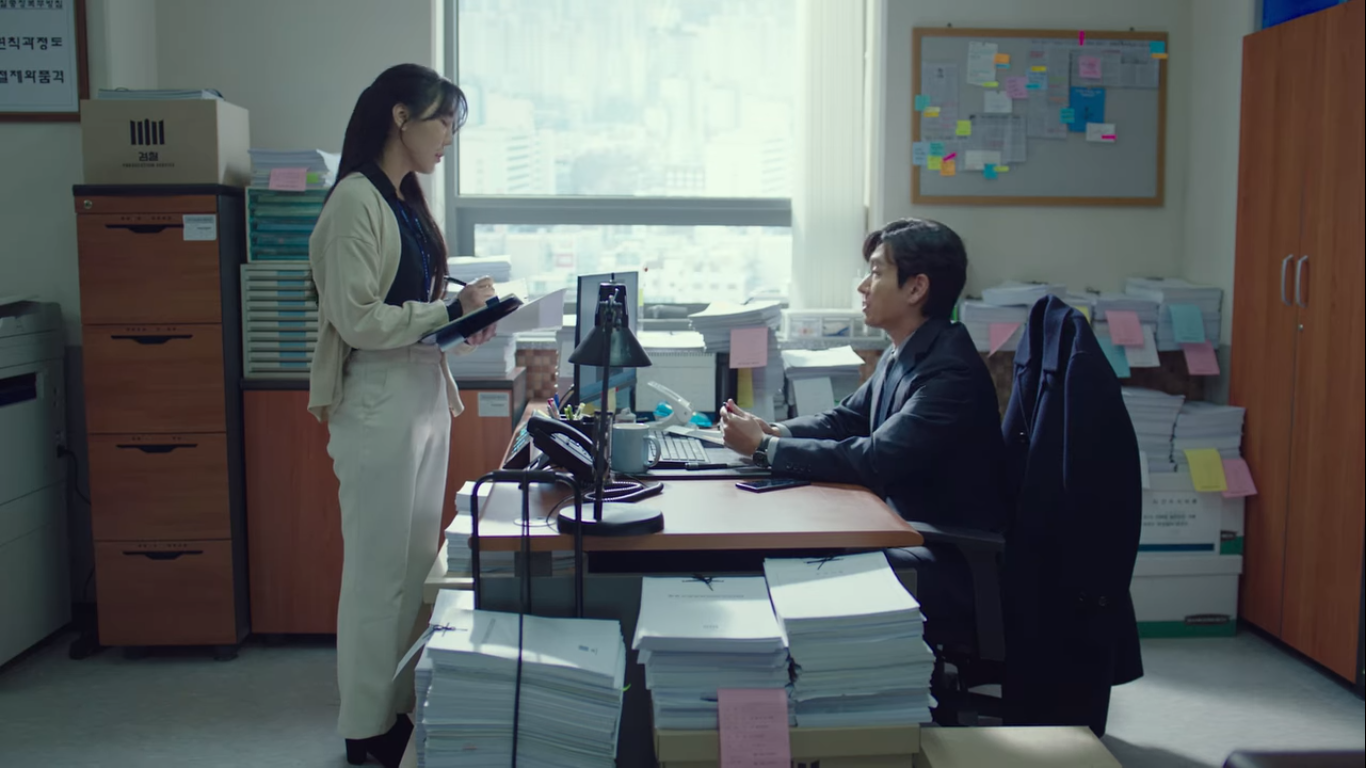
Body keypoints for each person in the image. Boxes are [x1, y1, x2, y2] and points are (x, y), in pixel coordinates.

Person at [307, 64, 497, 768]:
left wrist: (462, 319)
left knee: (416, 570)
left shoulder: (403, 202)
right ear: (399, 117)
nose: (449, 136)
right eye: (444, 121)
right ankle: (364, 728)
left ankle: (395, 707)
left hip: (420, 393)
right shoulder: (354, 202)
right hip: (378, 400)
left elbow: (412, 310)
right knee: (377, 574)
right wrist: (447, 310)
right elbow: (357, 318)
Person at [720, 218, 1007, 645]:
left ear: (916, 288)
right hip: (900, 525)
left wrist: (765, 449)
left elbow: (876, 458)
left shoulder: (949, 373)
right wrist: (774, 430)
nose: (863, 286)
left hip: (942, 552)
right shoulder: (907, 351)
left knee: (780, 559)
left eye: (876, 272)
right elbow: (845, 420)